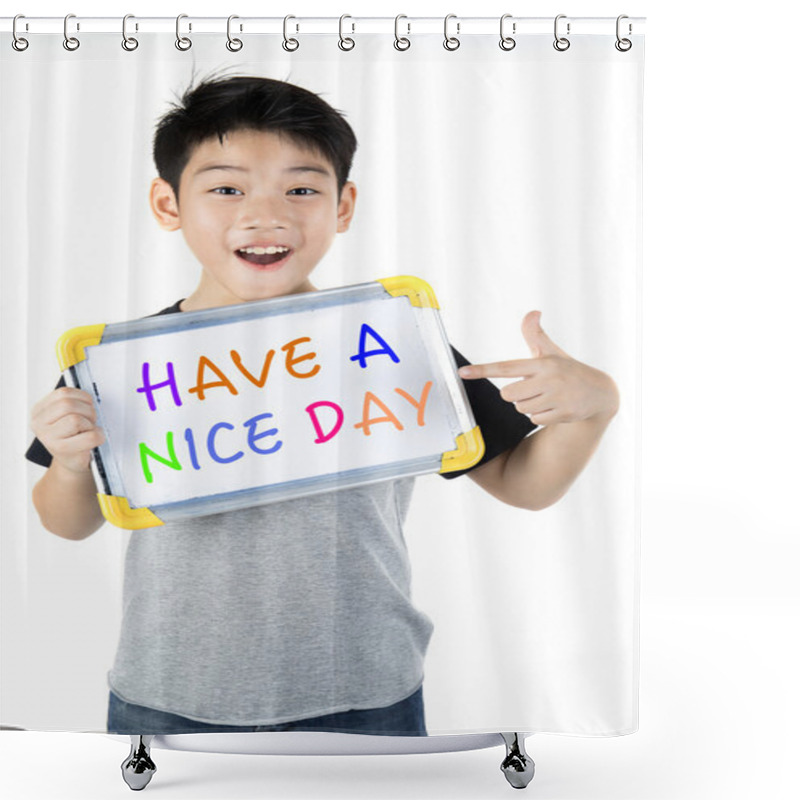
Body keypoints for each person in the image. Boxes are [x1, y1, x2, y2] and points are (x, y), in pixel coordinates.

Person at [26, 76, 619, 736]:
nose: (266, 214)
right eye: (226, 188)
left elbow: (525, 482)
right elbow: (68, 523)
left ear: (343, 205)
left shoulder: (397, 340)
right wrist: (71, 465)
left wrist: (592, 409)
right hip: (167, 691)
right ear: (169, 204)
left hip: (366, 687)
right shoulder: (120, 365)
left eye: (302, 189)